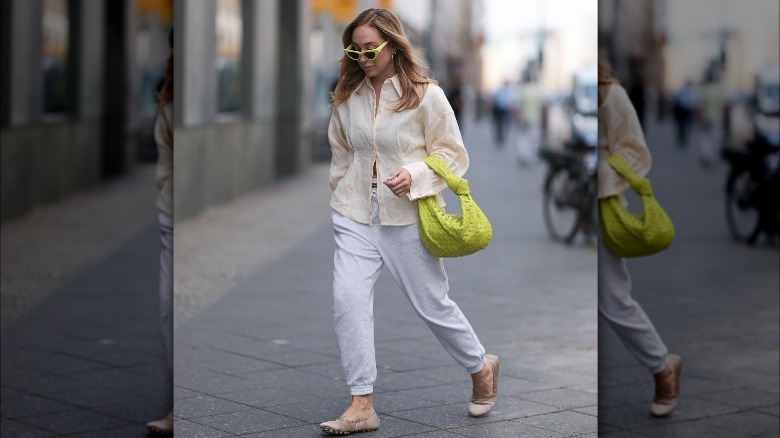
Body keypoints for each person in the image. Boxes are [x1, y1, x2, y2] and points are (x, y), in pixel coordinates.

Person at [320, 8, 499, 435]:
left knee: (432, 305)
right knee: (348, 300)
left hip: (407, 215)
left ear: (392, 45)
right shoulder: (348, 95)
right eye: (355, 49)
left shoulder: (425, 95)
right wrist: (343, 188)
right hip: (355, 213)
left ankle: (481, 367)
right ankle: (362, 403)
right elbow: (340, 150)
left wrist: (416, 174)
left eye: (371, 49)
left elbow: (454, 154)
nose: (363, 57)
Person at [597, 63, 682, 418]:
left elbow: (635, 151)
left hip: (603, 204)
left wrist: (599, 172)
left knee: (612, 299)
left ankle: (663, 368)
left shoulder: (612, 94)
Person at [146, 29, 173, 437]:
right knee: (168, 309)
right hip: (172, 214)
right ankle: (174, 406)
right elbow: (164, 153)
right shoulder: (168, 96)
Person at [697, 69, 725, 167]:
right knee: (716, 139)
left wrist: (701, 117)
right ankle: (715, 158)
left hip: (707, 118)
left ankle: (706, 156)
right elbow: (722, 106)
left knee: (706, 138)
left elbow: (702, 106)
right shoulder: (719, 90)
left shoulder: (705, 90)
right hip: (717, 118)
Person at [673, 79, 697, 148]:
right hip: (686, 110)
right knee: (685, 124)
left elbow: (677, 99)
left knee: (682, 125)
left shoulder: (682, 90)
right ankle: (683, 137)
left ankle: (682, 137)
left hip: (682, 109)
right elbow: (693, 102)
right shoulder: (691, 91)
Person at [492, 80, 514, 145]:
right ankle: (501, 136)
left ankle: (499, 135)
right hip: (504, 110)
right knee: (504, 124)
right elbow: (510, 102)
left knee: (499, 123)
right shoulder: (508, 91)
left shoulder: (499, 90)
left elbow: (495, 98)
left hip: (498, 109)